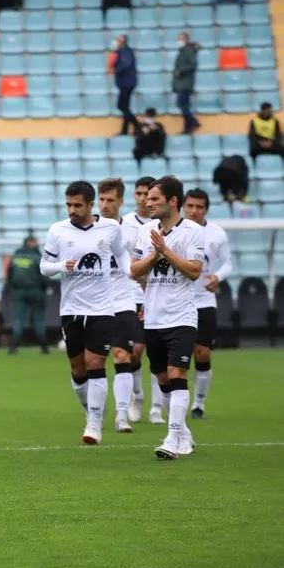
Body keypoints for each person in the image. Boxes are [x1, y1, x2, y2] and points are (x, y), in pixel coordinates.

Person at [40, 181, 130, 445]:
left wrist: (133, 275)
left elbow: (121, 255)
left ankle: (93, 423)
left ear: (91, 205)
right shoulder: (57, 230)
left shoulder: (110, 228)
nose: (72, 210)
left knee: (95, 362)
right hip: (71, 309)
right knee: (78, 369)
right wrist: (61, 266)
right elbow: (44, 267)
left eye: (77, 205)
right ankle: (91, 411)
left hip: (102, 308)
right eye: (68, 205)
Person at [131, 176, 204, 459]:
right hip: (153, 316)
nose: (147, 203)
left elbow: (194, 271)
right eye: (146, 198)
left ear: (172, 201)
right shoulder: (146, 230)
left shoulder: (193, 231)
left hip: (182, 316)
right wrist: (155, 254)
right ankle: (183, 431)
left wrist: (166, 251)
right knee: (163, 379)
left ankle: (172, 439)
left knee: (177, 374)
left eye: (154, 199)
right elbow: (134, 271)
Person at [97, 178, 148, 433]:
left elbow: (139, 266)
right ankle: (94, 412)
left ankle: (121, 415)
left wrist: (147, 299)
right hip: (94, 303)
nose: (105, 205)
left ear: (120, 201)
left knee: (124, 354)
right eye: (101, 200)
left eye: (110, 200)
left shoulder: (133, 230)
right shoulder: (89, 228)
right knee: (90, 363)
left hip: (124, 299)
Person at [182, 189, 232, 420]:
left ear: (206, 209)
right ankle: (168, 404)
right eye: (190, 206)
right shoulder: (174, 231)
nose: (194, 211)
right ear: (183, 207)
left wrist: (217, 277)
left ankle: (199, 404)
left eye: (199, 207)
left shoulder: (216, 234)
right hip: (178, 301)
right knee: (175, 356)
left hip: (204, 300)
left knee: (202, 353)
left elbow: (228, 263)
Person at [122, 176, 156, 423]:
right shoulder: (124, 224)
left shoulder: (163, 224)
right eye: (139, 193)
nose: (143, 198)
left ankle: (157, 407)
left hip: (158, 295)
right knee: (134, 351)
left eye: (148, 194)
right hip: (131, 295)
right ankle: (138, 395)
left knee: (158, 352)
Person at [5, 235, 49, 355]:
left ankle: (13, 347)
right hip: (36, 291)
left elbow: (9, 276)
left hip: (18, 292)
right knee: (38, 319)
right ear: (31, 243)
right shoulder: (37, 257)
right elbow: (44, 276)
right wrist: (45, 287)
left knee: (18, 319)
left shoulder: (15, 257)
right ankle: (44, 347)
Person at [173, 33, 200, 135]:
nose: (178, 41)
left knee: (181, 104)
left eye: (180, 39)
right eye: (178, 39)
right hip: (183, 82)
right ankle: (187, 128)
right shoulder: (183, 50)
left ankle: (194, 122)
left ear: (186, 39)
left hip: (185, 83)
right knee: (185, 106)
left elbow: (193, 64)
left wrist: (181, 71)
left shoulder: (188, 50)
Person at [112, 34, 137, 135]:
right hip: (126, 82)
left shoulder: (125, 51)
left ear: (122, 42)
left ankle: (137, 126)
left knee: (121, 106)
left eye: (117, 40)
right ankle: (125, 130)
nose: (115, 42)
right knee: (125, 107)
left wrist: (116, 70)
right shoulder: (122, 51)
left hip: (126, 82)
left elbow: (125, 64)